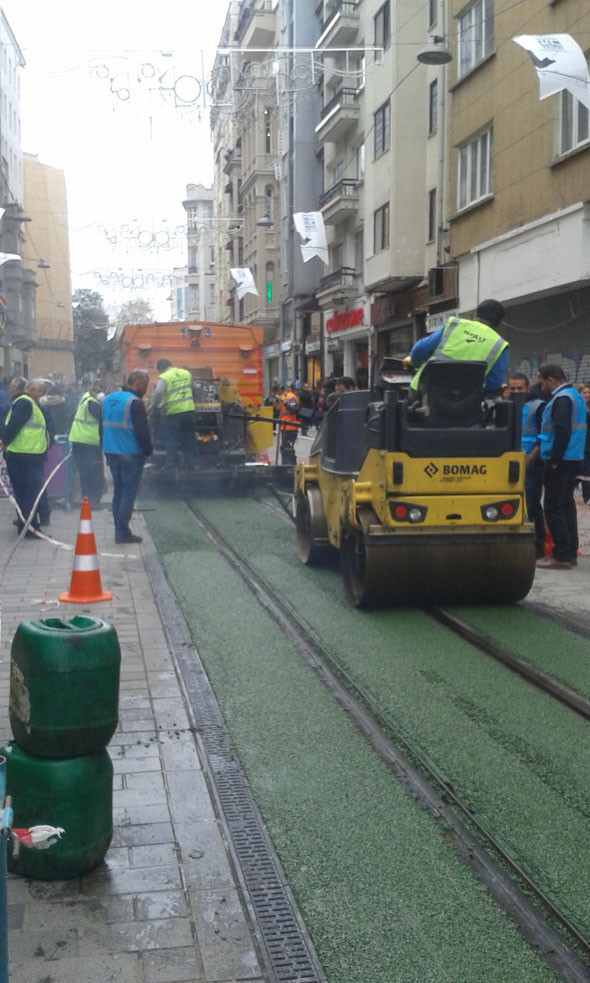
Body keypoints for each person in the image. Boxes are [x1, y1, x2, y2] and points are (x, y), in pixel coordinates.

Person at [536, 364, 586, 569]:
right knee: (566, 506)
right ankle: (569, 552)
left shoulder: (562, 399)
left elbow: (562, 430)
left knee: (553, 507)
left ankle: (562, 554)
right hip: (573, 458)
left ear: (550, 380)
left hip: (561, 460)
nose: (541, 388)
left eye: (541, 383)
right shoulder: (575, 395)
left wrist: (555, 459)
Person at [406, 298, 509, 397]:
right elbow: (493, 385)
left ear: (475, 314)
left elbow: (420, 350)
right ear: (499, 323)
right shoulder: (499, 344)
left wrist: (415, 363)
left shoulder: (455, 325)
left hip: (423, 393)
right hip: (464, 405)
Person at [102, 370, 152, 545]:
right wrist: (148, 451)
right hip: (131, 454)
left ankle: (119, 527)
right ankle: (122, 532)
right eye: (145, 386)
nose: (145, 390)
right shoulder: (135, 403)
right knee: (128, 494)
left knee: (119, 491)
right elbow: (142, 432)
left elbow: (102, 427)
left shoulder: (108, 399)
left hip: (112, 452)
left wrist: (105, 449)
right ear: (137, 384)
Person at [0, 377, 48, 537]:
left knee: (24, 493)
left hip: (25, 455)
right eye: (41, 391)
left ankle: (26, 524)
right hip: (24, 456)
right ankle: (29, 527)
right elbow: (14, 426)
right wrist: (4, 442)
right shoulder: (25, 403)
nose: (42, 395)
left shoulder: (26, 403)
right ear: (32, 390)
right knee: (29, 494)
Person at [508, 373, 546, 558]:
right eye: (512, 388)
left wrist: (531, 458)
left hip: (531, 463)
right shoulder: (505, 407)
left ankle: (537, 546)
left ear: (527, 389)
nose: (516, 392)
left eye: (519, 388)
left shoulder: (537, 407)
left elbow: (544, 436)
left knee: (531, 504)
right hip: (509, 464)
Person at [149, 358, 197, 468]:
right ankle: (193, 463)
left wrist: (154, 406)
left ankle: (170, 463)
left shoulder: (164, 377)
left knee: (172, 438)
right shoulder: (186, 373)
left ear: (161, 368)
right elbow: (195, 388)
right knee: (190, 437)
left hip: (173, 412)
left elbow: (159, 392)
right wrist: (194, 400)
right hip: (189, 410)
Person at [68, 380, 105, 510]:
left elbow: (71, 417)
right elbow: (103, 422)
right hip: (90, 443)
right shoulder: (94, 404)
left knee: (84, 472)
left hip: (79, 441)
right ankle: (94, 501)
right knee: (94, 473)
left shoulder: (83, 401)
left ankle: (86, 498)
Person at [275, 382, 299, 466]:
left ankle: (289, 465)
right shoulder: (285, 398)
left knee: (287, 448)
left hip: (290, 427)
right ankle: (286, 464)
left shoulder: (291, 398)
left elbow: (293, 410)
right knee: (285, 448)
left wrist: (285, 402)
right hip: (285, 426)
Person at [576, 382, 590, 504]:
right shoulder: (577, 407)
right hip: (581, 444)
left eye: (588, 392)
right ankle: (587, 496)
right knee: (584, 472)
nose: (587, 394)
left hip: (588, 443)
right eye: (584, 392)